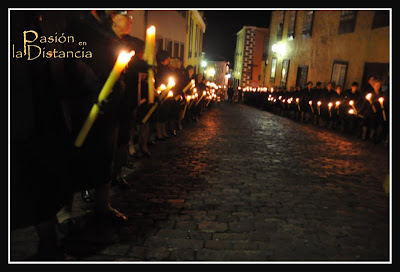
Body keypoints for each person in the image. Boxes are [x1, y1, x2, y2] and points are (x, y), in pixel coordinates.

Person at [64, 10, 128, 224]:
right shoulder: (74, 17)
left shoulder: (104, 21)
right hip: (81, 96)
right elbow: (67, 53)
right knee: (74, 152)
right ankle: (64, 213)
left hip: (107, 97)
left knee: (104, 152)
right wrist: (92, 83)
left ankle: (103, 204)